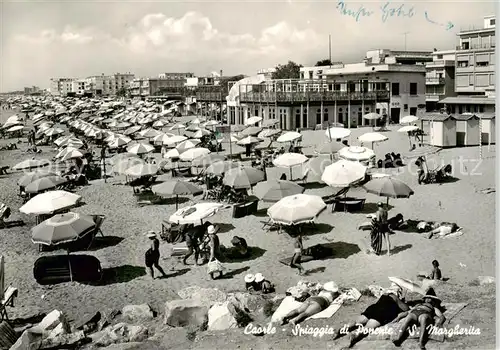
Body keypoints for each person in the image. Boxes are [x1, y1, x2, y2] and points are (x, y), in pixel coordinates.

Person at [333, 283, 409, 348]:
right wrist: (402, 303)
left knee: (357, 321)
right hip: (383, 311)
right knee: (367, 327)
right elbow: (406, 309)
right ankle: (355, 335)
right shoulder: (394, 297)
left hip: (373, 308)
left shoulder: (384, 294)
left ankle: (341, 329)